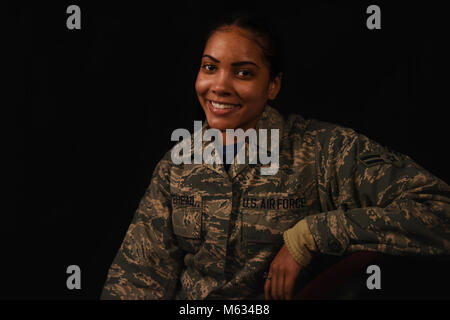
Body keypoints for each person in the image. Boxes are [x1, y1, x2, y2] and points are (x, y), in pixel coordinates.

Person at [100, 13, 450, 300]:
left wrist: (311, 234)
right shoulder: (177, 164)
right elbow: (137, 280)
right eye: (210, 67)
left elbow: (439, 211)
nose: (219, 85)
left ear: (273, 85)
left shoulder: (324, 153)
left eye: (243, 73)